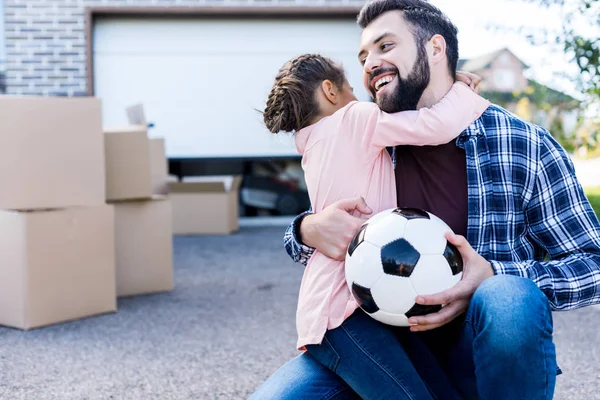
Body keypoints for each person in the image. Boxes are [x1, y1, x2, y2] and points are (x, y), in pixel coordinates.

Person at [251, 1, 600, 399]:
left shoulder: (524, 144)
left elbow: (593, 262)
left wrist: (492, 274)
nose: (368, 64)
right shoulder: (374, 138)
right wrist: (305, 228)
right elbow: (320, 235)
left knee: (508, 297)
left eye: (385, 46)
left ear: (436, 49)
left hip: (477, 343)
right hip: (384, 339)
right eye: (363, 56)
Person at [259, 52, 489, 399]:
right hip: (343, 313)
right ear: (329, 91)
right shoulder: (352, 119)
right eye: (351, 88)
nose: (361, 97)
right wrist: (459, 88)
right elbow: (435, 126)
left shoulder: (313, 141)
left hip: (353, 306)